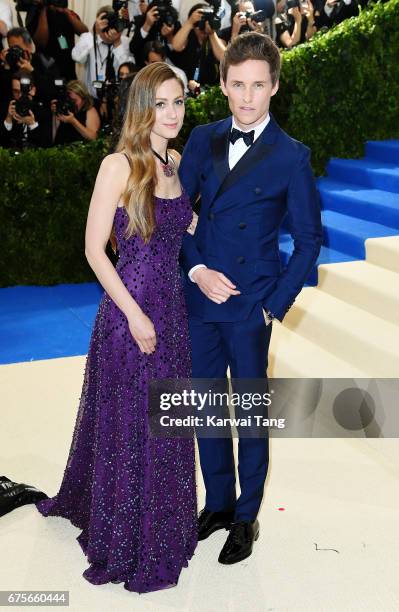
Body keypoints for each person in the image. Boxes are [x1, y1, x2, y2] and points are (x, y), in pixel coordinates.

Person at [36, 61, 198, 593]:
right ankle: (126, 534)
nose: (172, 113)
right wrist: (132, 313)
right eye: (162, 103)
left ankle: (165, 528)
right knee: (131, 425)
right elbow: (93, 249)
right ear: (141, 107)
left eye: (178, 102)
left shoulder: (175, 163)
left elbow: (185, 228)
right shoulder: (118, 164)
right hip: (130, 313)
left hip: (171, 309)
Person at [179, 32, 322, 564]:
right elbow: (175, 214)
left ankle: (245, 516)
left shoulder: (291, 156)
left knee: (250, 413)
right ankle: (216, 503)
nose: (246, 96)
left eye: (257, 85)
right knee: (208, 407)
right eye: (237, 84)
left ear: (274, 87)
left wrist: (273, 304)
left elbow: (309, 243)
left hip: (250, 303)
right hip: (200, 298)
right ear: (222, 84)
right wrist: (194, 268)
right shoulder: (200, 139)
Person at [71, 6, 135, 100]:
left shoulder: (125, 42)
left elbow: (129, 71)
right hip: (92, 99)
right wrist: (94, 34)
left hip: (118, 99)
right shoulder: (88, 38)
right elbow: (77, 57)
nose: (107, 25)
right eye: (104, 20)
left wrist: (117, 43)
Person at [25, 0, 88, 81]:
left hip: (68, 70)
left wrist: (65, 11)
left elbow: (84, 33)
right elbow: (41, 43)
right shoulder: (35, 14)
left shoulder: (67, 13)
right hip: (46, 70)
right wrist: (43, 10)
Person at [0, 71, 52, 149]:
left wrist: (32, 124)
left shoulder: (43, 112)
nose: (20, 95)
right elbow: (2, 144)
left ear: (33, 90)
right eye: (16, 91)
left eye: (24, 91)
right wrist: (8, 120)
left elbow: (46, 145)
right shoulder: (6, 108)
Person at [52, 80, 100, 145]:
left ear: (82, 95)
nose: (72, 103)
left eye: (74, 100)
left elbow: (93, 137)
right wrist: (56, 111)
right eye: (70, 99)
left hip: (80, 150)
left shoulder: (90, 110)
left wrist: (73, 121)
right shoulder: (66, 107)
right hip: (62, 147)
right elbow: (55, 130)